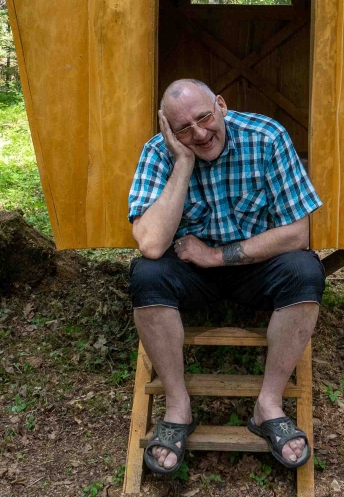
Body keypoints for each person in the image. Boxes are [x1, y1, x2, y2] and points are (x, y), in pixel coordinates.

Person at [127, 78, 324, 476]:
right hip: (191, 276)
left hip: (254, 270)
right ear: (169, 129)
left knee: (305, 270)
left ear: (221, 105)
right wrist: (182, 164)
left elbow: (297, 233)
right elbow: (150, 243)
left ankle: (268, 405)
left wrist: (216, 256)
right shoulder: (158, 153)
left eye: (204, 118)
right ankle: (178, 408)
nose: (199, 133)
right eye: (184, 128)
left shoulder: (266, 137)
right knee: (146, 273)